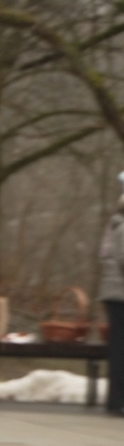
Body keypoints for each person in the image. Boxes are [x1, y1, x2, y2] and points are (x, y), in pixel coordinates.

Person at [100, 172, 124, 418]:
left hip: (115, 293)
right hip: (120, 295)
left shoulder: (116, 225)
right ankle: (116, 400)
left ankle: (116, 400)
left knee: (119, 347)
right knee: (120, 348)